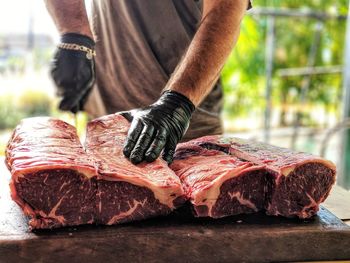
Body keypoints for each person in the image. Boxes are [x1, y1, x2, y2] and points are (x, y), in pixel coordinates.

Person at [46, 0, 251, 164]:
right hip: (106, 121)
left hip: (184, 132)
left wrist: (177, 103)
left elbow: (226, 7)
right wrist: (74, 34)